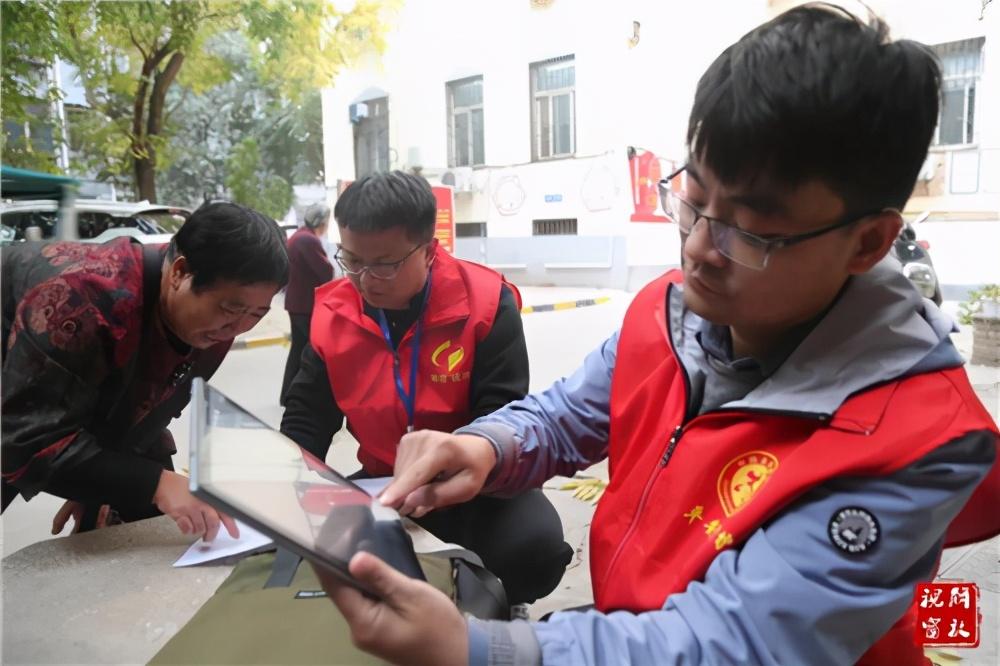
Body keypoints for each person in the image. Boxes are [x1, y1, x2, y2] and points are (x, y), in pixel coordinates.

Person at [314, 6, 1000, 666]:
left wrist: (479, 649)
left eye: (749, 232)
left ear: (869, 242)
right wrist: (485, 446)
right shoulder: (670, 315)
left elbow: (737, 645)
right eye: (693, 201)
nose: (698, 249)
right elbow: (567, 415)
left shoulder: (914, 444)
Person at [280, 170, 573, 607]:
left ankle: (498, 607)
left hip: (476, 480)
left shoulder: (485, 302)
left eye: (385, 265)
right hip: (383, 481)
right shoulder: (333, 312)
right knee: (311, 552)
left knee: (536, 551)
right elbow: (308, 417)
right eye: (352, 260)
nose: (365, 280)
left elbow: (502, 415)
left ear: (430, 251)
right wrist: (285, 490)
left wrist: (448, 473)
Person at [2, 202, 289, 542]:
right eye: (230, 308)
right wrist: (152, 483)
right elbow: (23, 442)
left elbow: (145, 409)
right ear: (180, 273)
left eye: (256, 314)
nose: (236, 328)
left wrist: (99, 483)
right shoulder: (81, 300)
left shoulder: (205, 323)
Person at [281, 203, 335, 405]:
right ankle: (296, 396)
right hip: (304, 306)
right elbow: (326, 271)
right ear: (321, 222)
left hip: (298, 304)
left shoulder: (300, 236)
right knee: (306, 352)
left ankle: (287, 394)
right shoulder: (308, 240)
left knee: (298, 350)